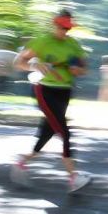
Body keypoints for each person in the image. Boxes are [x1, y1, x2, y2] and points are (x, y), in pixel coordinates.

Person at [11, 10, 91, 192]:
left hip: (65, 92)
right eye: (63, 27)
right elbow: (18, 62)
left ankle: (22, 162)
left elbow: (84, 69)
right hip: (44, 91)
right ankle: (73, 177)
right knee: (64, 131)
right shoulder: (42, 41)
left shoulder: (73, 44)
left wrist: (78, 70)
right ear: (55, 25)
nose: (65, 31)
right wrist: (32, 64)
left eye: (68, 28)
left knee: (48, 131)